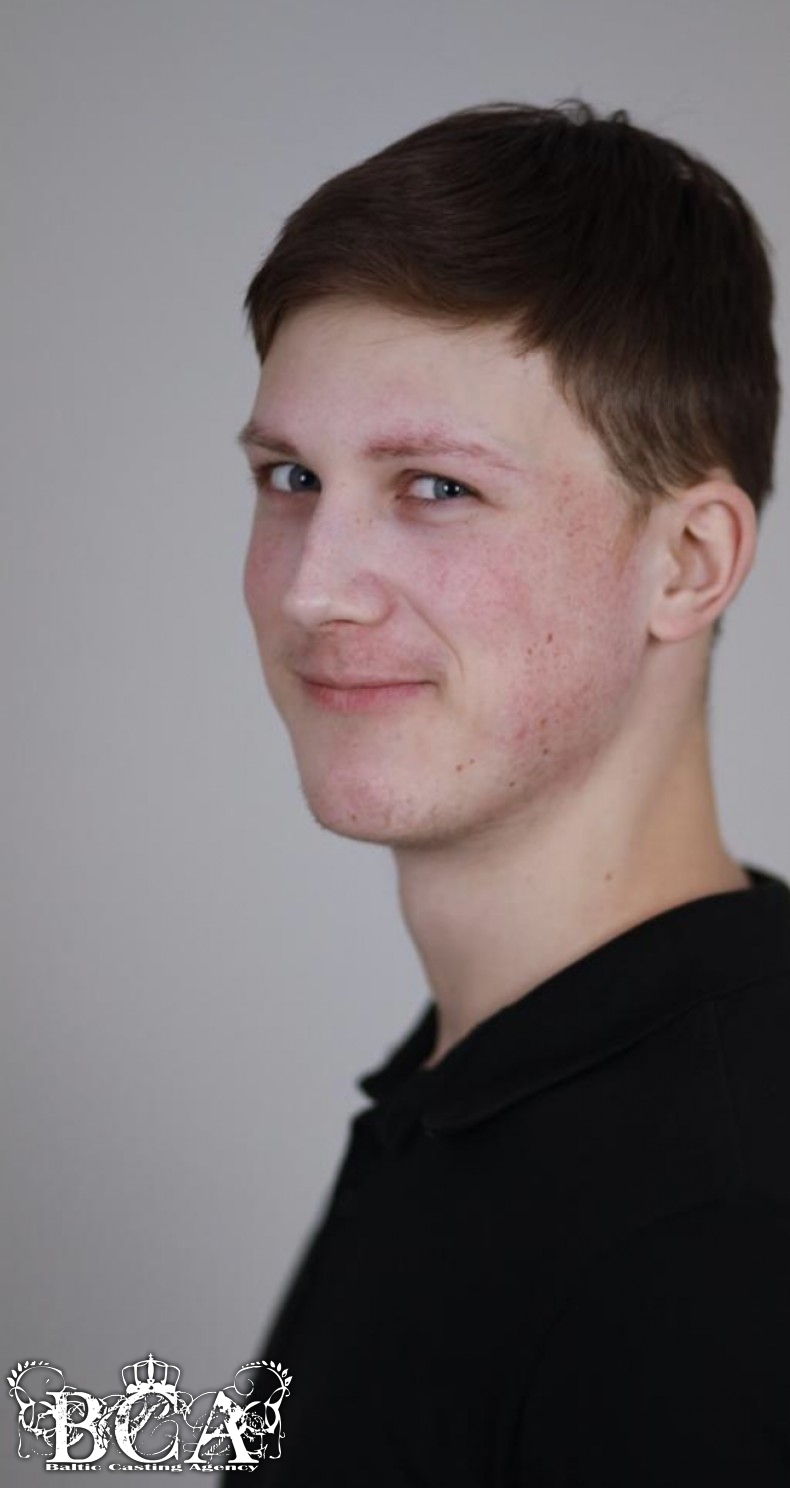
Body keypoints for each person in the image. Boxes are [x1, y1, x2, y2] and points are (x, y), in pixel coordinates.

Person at [226, 100, 789, 1483]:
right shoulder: (482, 1086)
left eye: (435, 487)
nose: (311, 589)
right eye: (290, 477)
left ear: (687, 563)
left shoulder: (714, 1244)